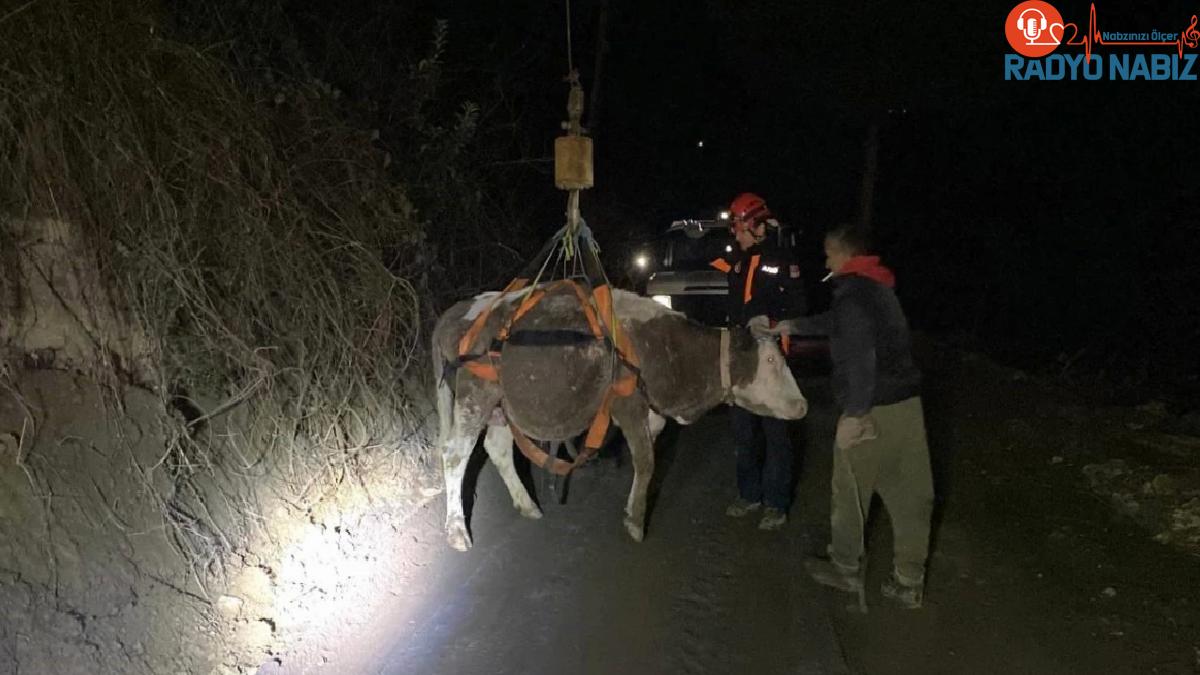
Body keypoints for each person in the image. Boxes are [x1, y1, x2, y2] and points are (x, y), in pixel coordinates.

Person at [754, 224, 933, 607]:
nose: (826, 259)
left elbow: (861, 358)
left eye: (829, 252)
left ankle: (845, 567)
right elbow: (838, 325)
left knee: (849, 490)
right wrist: (792, 326)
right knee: (910, 495)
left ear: (846, 254)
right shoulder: (877, 288)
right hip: (907, 407)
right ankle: (908, 581)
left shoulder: (853, 296)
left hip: (872, 411)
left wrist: (855, 415)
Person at [710, 192, 807, 531]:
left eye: (738, 227)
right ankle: (749, 493)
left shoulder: (782, 258)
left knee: (776, 433)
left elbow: (799, 306)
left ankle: (776, 503)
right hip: (740, 358)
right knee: (743, 432)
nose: (734, 234)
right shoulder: (737, 261)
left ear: (755, 225)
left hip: (770, 359)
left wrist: (772, 318)